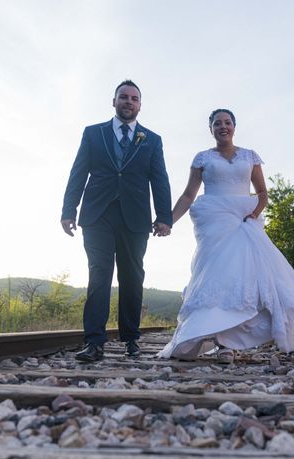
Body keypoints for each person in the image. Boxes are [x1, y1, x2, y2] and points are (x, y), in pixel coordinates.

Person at [158, 108, 294, 363]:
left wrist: (254, 214)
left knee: (241, 279)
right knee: (215, 278)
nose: (222, 127)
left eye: (227, 122)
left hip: (242, 222)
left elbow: (262, 193)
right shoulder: (202, 158)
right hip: (214, 224)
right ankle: (217, 339)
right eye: (217, 124)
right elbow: (188, 196)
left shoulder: (250, 156)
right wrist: (168, 222)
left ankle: (228, 343)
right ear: (211, 129)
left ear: (234, 126)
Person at [61, 80, 172, 362]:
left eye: (134, 98)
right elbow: (78, 172)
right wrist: (68, 210)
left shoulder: (152, 139)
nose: (129, 102)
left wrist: (164, 217)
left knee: (132, 277)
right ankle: (94, 342)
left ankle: (131, 339)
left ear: (140, 105)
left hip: (135, 218)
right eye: (124, 97)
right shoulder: (93, 133)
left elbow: (159, 179)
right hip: (97, 215)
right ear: (114, 102)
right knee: (99, 275)